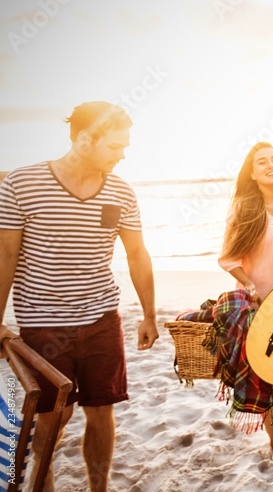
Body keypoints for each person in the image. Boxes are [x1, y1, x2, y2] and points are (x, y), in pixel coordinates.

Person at [0, 101, 159, 491]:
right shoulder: (21, 184)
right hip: (43, 325)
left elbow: (137, 254)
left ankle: (99, 489)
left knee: (101, 412)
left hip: (102, 318)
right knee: (52, 419)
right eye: (114, 146)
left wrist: (149, 315)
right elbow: (5, 255)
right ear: (85, 139)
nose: (122, 155)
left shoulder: (121, 192)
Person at [214, 142, 273, 460]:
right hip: (259, 305)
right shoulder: (246, 209)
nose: (271, 165)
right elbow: (228, 258)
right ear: (253, 174)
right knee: (269, 376)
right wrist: (249, 285)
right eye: (262, 162)